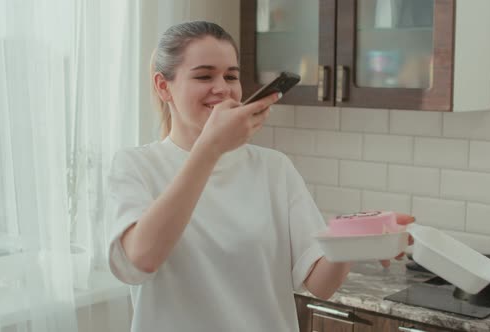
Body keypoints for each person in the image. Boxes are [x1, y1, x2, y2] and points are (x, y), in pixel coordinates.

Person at [106, 20, 413, 332]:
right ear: (163, 86)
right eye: (203, 75)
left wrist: (353, 239)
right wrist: (209, 151)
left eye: (231, 76)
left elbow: (320, 285)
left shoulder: (274, 168)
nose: (222, 88)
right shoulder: (136, 166)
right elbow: (141, 260)